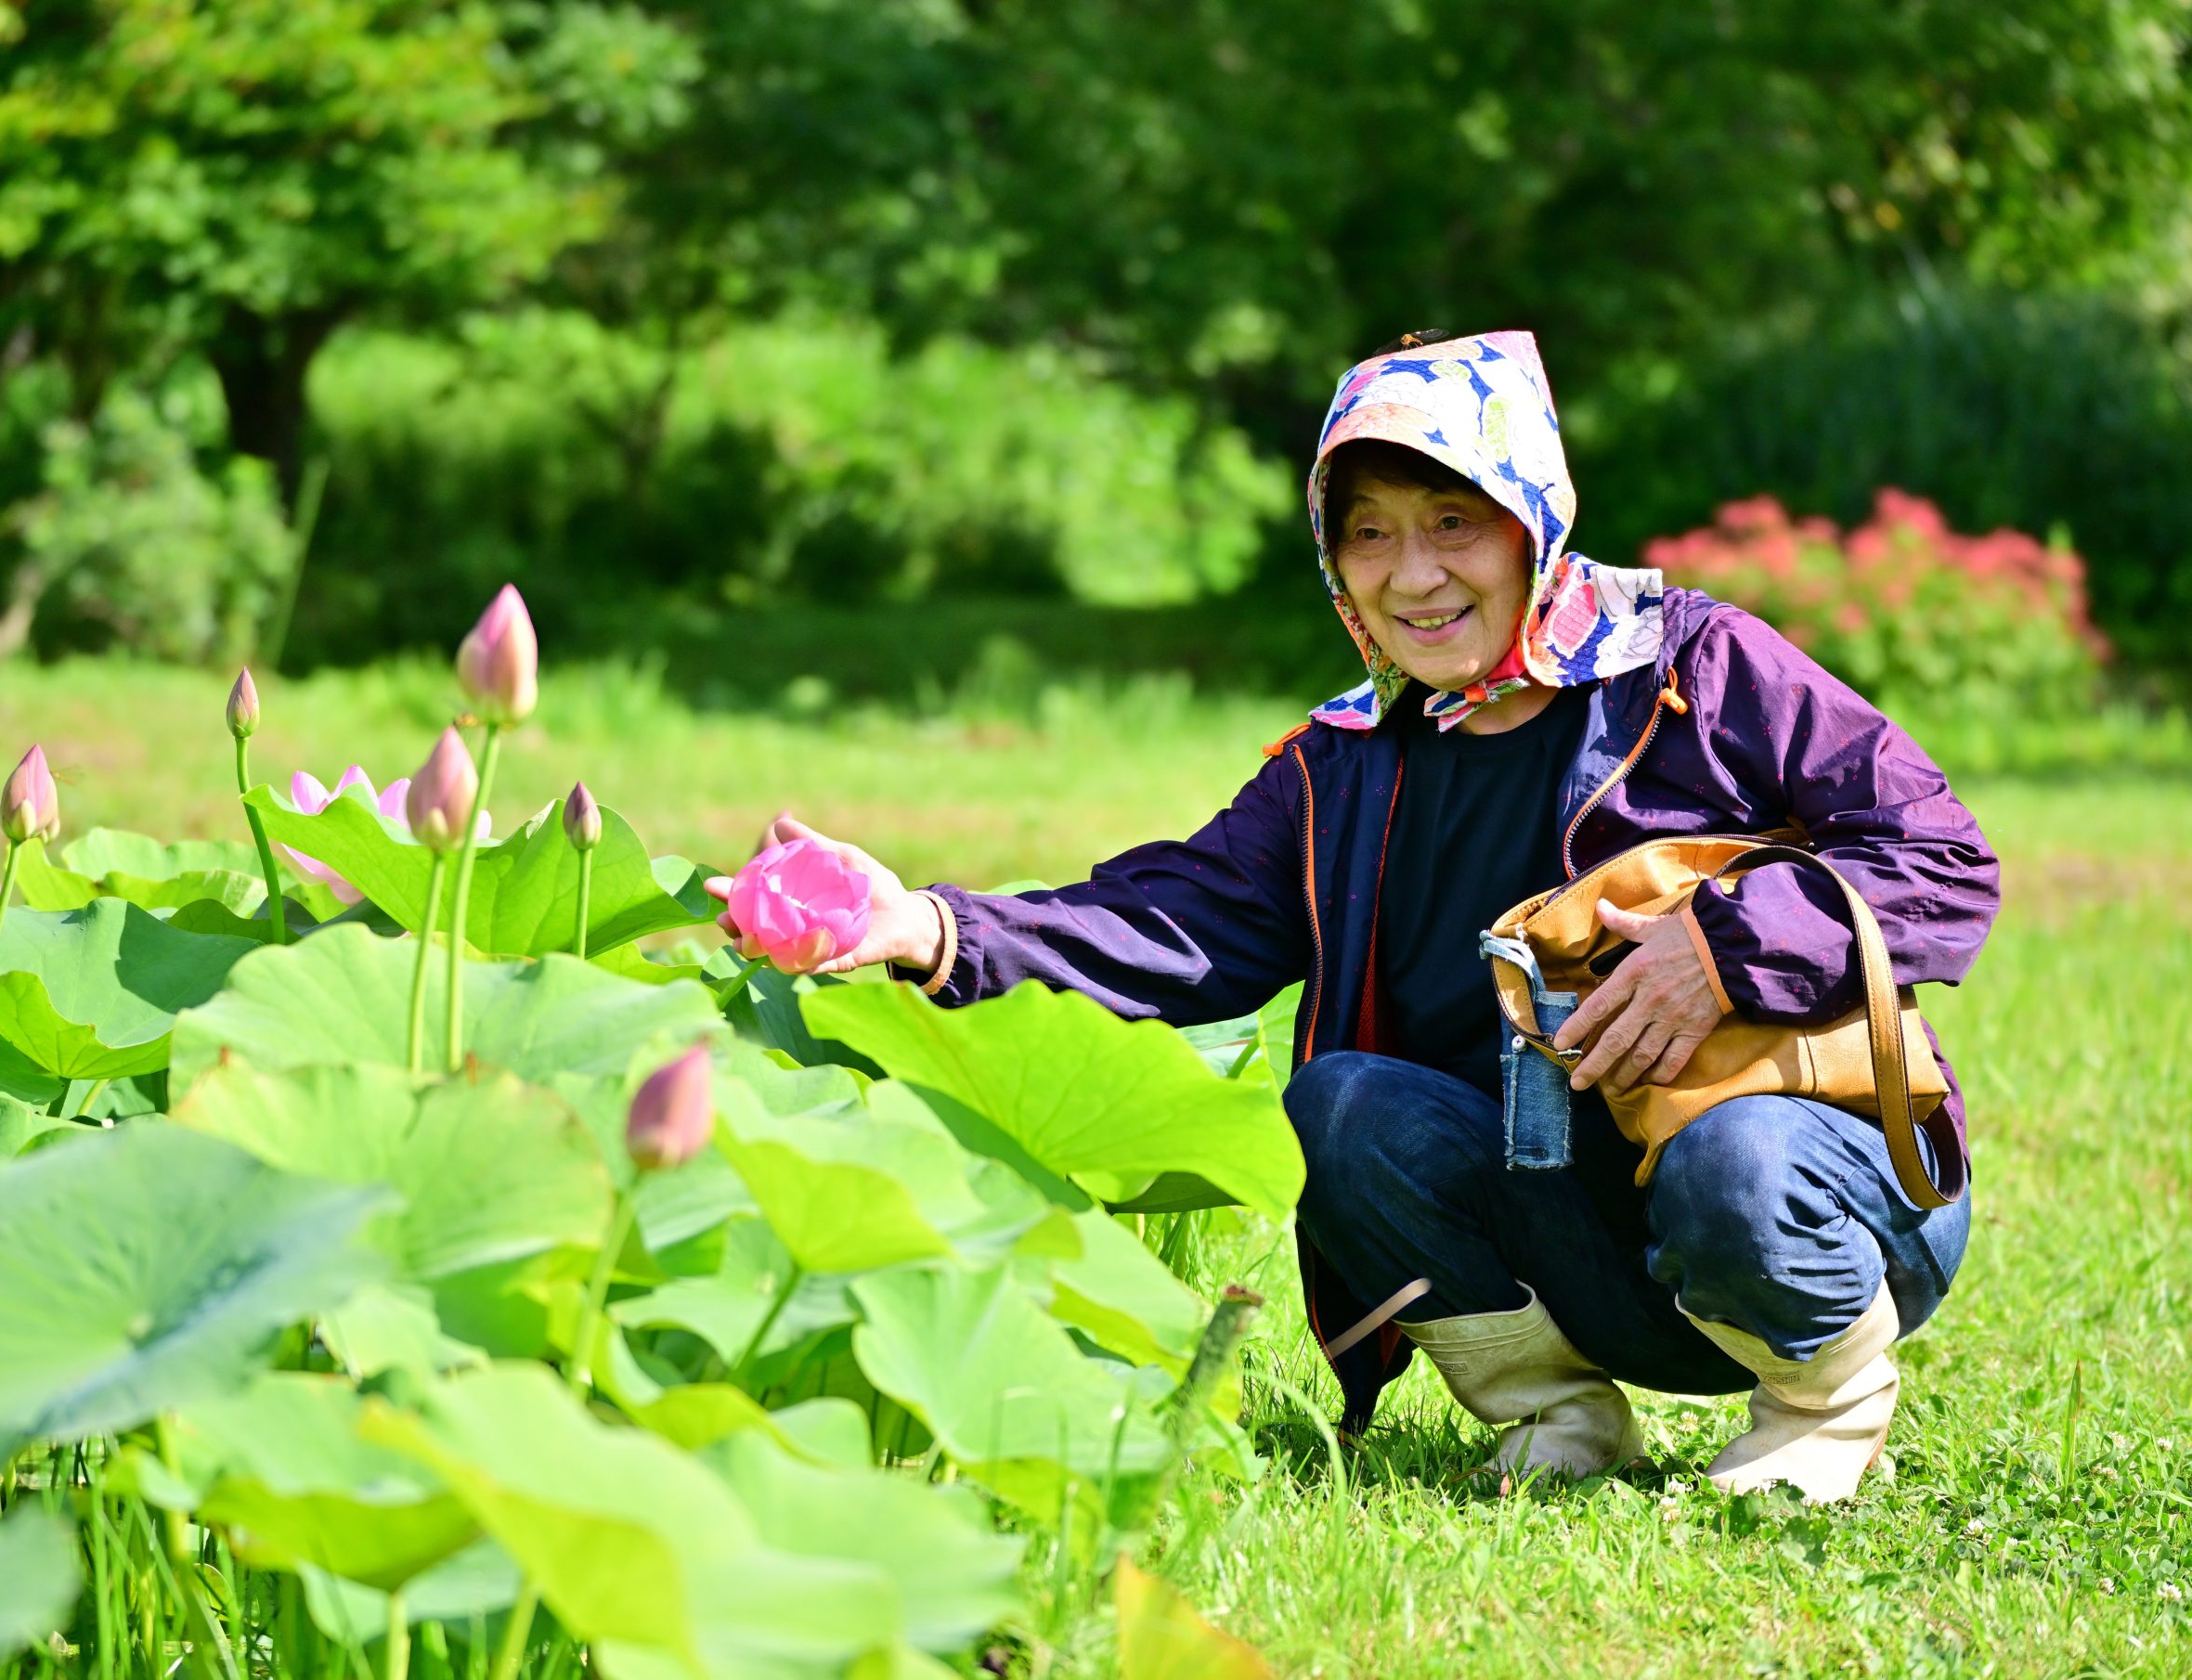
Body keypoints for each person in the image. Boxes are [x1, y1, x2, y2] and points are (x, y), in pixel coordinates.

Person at [704, 330, 1997, 1502]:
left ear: (1531, 521)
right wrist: (925, 925)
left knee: (1736, 1164)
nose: (1415, 574)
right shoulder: (1343, 762)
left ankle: (1823, 1398)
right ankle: (1554, 1413)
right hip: (1584, 1230)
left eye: (1454, 519)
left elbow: (1941, 856)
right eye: (1369, 532)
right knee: (1338, 1105)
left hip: (1819, 1183)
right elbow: (1176, 923)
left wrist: (1724, 948)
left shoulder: (1695, 668)